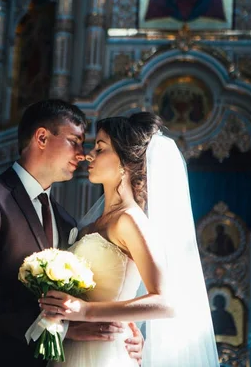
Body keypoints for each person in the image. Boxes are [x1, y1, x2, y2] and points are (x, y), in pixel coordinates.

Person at [0, 99, 144, 367]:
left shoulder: (66, 222)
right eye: (74, 141)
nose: (82, 154)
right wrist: (61, 329)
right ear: (42, 137)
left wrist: (127, 334)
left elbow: (80, 298)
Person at [40, 112, 220, 366]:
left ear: (124, 163)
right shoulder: (90, 224)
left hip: (104, 355)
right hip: (73, 348)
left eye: (101, 148)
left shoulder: (129, 220)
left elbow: (165, 302)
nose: (89, 155)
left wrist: (86, 310)